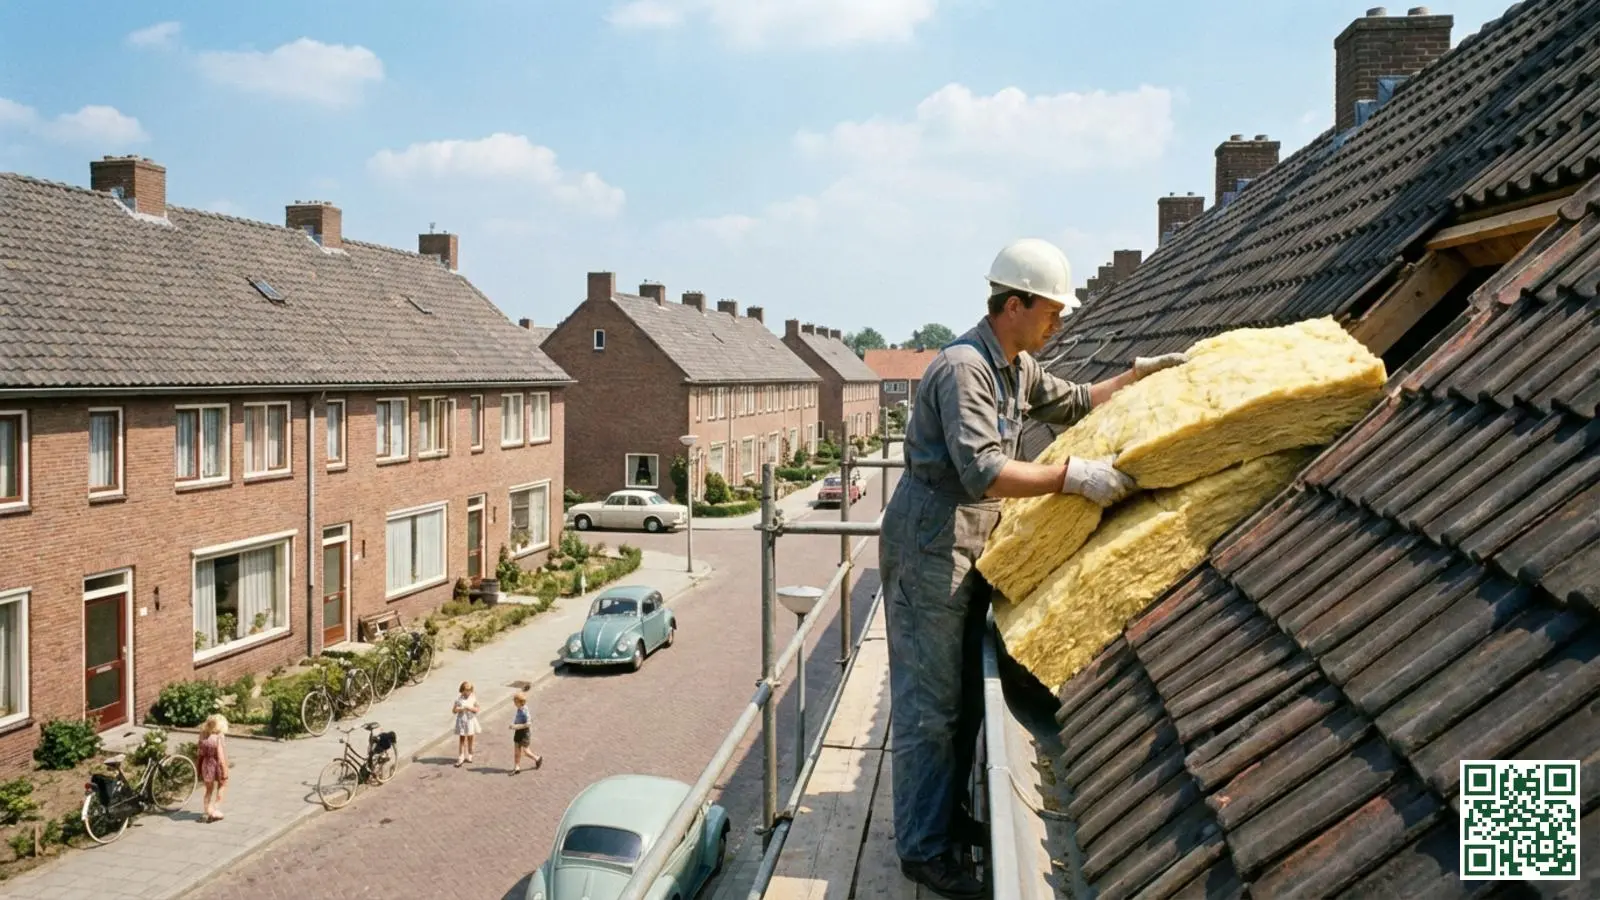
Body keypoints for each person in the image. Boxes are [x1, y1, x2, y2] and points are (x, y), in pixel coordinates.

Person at [880, 238, 1188, 899]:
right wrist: (1070, 476)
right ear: (1013, 304)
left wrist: (1135, 378)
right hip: (931, 543)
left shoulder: (1015, 365)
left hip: (967, 544)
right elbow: (982, 471)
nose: (1059, 325)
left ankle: (945, 817)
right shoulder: (965, 370)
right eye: (1050, 312)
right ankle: (921, 851)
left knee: (959, 701)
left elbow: (1076, 400)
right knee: (929, 709)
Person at [197, 713, 230, 823]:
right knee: (222, 785)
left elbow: (200, 753)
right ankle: (215, 809)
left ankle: (206, 811)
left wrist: (198, 768)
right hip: (216, 765)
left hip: (206, 764)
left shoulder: (203, 736)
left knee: (208, 789)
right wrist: (224, 769)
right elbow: (220, 756)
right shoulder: (219, 737)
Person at [509, 692, 543, 774]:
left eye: (515, 701)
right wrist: (514, 725)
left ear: (521, 702)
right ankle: (517, 767)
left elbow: (528, 724)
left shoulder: (525, 710)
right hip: (518, 732)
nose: (514, 703)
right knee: (516, 750)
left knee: (526, 751)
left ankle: (537, 758)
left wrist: (516, 726)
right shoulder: (519, 708)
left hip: (524, 733)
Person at [453, 681, 481, 767]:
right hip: (462, 720)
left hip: (470, 721)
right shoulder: (458, 699)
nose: (468, 692)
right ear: (462, 690)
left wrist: (470, 708)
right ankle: (461, 756)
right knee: (462, 739)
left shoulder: (473, 698)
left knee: (470, 738)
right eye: (466, 690)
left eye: (469, 690)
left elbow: (477, 709)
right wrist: (459, 709)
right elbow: (454, 710)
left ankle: (470, 754)